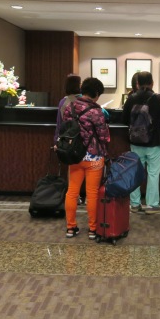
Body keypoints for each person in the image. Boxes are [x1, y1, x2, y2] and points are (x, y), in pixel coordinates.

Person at [59, 77, 110, 239]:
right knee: (92, 193)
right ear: (95, 93)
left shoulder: (70, 107)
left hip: (74, 155)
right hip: (93, 157)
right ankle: (93, 230)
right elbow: (104, 136)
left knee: (72, 192)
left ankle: (71, 227)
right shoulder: (96, 112)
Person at [122, 71, 160, 214]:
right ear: (152, 83)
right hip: (155, 142)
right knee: (153, 173)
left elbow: (124, 119)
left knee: (135, 172)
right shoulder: (157, 98)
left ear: (137, 83)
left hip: (136, 141)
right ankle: (151, 205)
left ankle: (135, 204)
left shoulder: (131, 98)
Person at [54, 74, 81, 144]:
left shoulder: (63, 102)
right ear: (78, 86)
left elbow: (59, 123)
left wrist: (56, 141)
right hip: (80, 139)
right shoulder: (83, 101)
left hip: (66, 139)